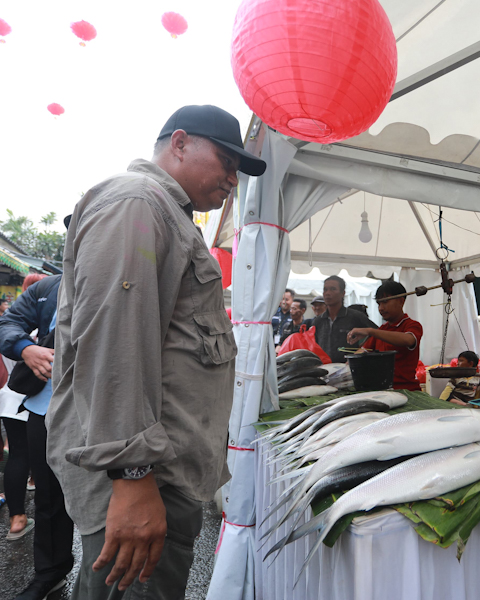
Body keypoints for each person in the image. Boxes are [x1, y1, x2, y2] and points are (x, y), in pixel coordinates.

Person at [46, 104, 266, 599]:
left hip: (159, 475)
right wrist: (132, 475)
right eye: (226, 161)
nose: (233, 178)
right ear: (180, 143)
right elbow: (114, 341)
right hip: (146, 477)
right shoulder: (138, 203)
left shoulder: (165, 213)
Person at [0, 273, 73, 600]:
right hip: (46, 409)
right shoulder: (49, 288)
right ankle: (50, 572)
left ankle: (107, 579)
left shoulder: (128, 276)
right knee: (48, 497)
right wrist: (25, 348)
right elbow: (9, 322)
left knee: (112, 497)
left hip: (108, 408)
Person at [347, 281, 423, 390]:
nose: (381, 308)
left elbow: (408, 340)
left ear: (401, 301)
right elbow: (362, 352)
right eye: (379, 304)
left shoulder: (412, 325)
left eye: (385, 302)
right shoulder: (382, 330)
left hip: (407, 390)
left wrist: (370, 331)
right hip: (383, 389)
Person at [0, 353, 33, 542]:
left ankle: (17, 518)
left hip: (9, 396)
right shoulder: (42, 325)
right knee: (42, 453)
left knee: (17, 454)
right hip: (35, 396)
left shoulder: (9, 327)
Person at [313, 275, 376, 363]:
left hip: (349, 370)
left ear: (343, 293)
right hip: (323, 369)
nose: (327, 293)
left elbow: (377, 333)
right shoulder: (318, 321)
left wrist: (362, 349)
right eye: (325, 289)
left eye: (333, 289)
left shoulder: (355, 316)